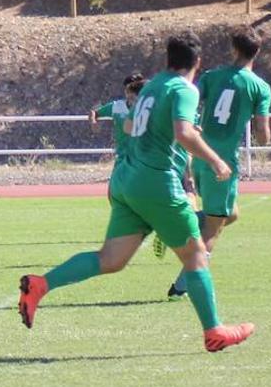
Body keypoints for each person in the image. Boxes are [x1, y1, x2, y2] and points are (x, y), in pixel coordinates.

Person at [18, 33, 254, 352]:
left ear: (168, 60)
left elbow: (130, 127)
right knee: (196, 255)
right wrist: (214, 160)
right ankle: (214, 331)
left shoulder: (152, 86)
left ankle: (40, 285)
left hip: (128, 179)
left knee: (111, 259)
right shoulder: (185, 88)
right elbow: (184, 133)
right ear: (197, 62)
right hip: (158, 183)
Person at [166, 27, 271, 300]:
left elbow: (189, 102)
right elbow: (262, 134)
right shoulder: (260, 87)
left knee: (230, 214)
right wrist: (264, 137)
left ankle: (183, 222)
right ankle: (183, 285)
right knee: (214, 226)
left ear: (233, 49)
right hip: (222, 164)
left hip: (200, 156)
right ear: (257, 52)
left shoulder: (211, 77)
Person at [90, 71, 147, 171]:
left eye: (135, 89)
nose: (130, 93)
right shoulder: (117, 106)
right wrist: (93, 123)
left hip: (143, 157)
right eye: (128, 89)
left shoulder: (149, 107)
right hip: (123, 156)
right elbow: (94, 112)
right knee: (116, 185)